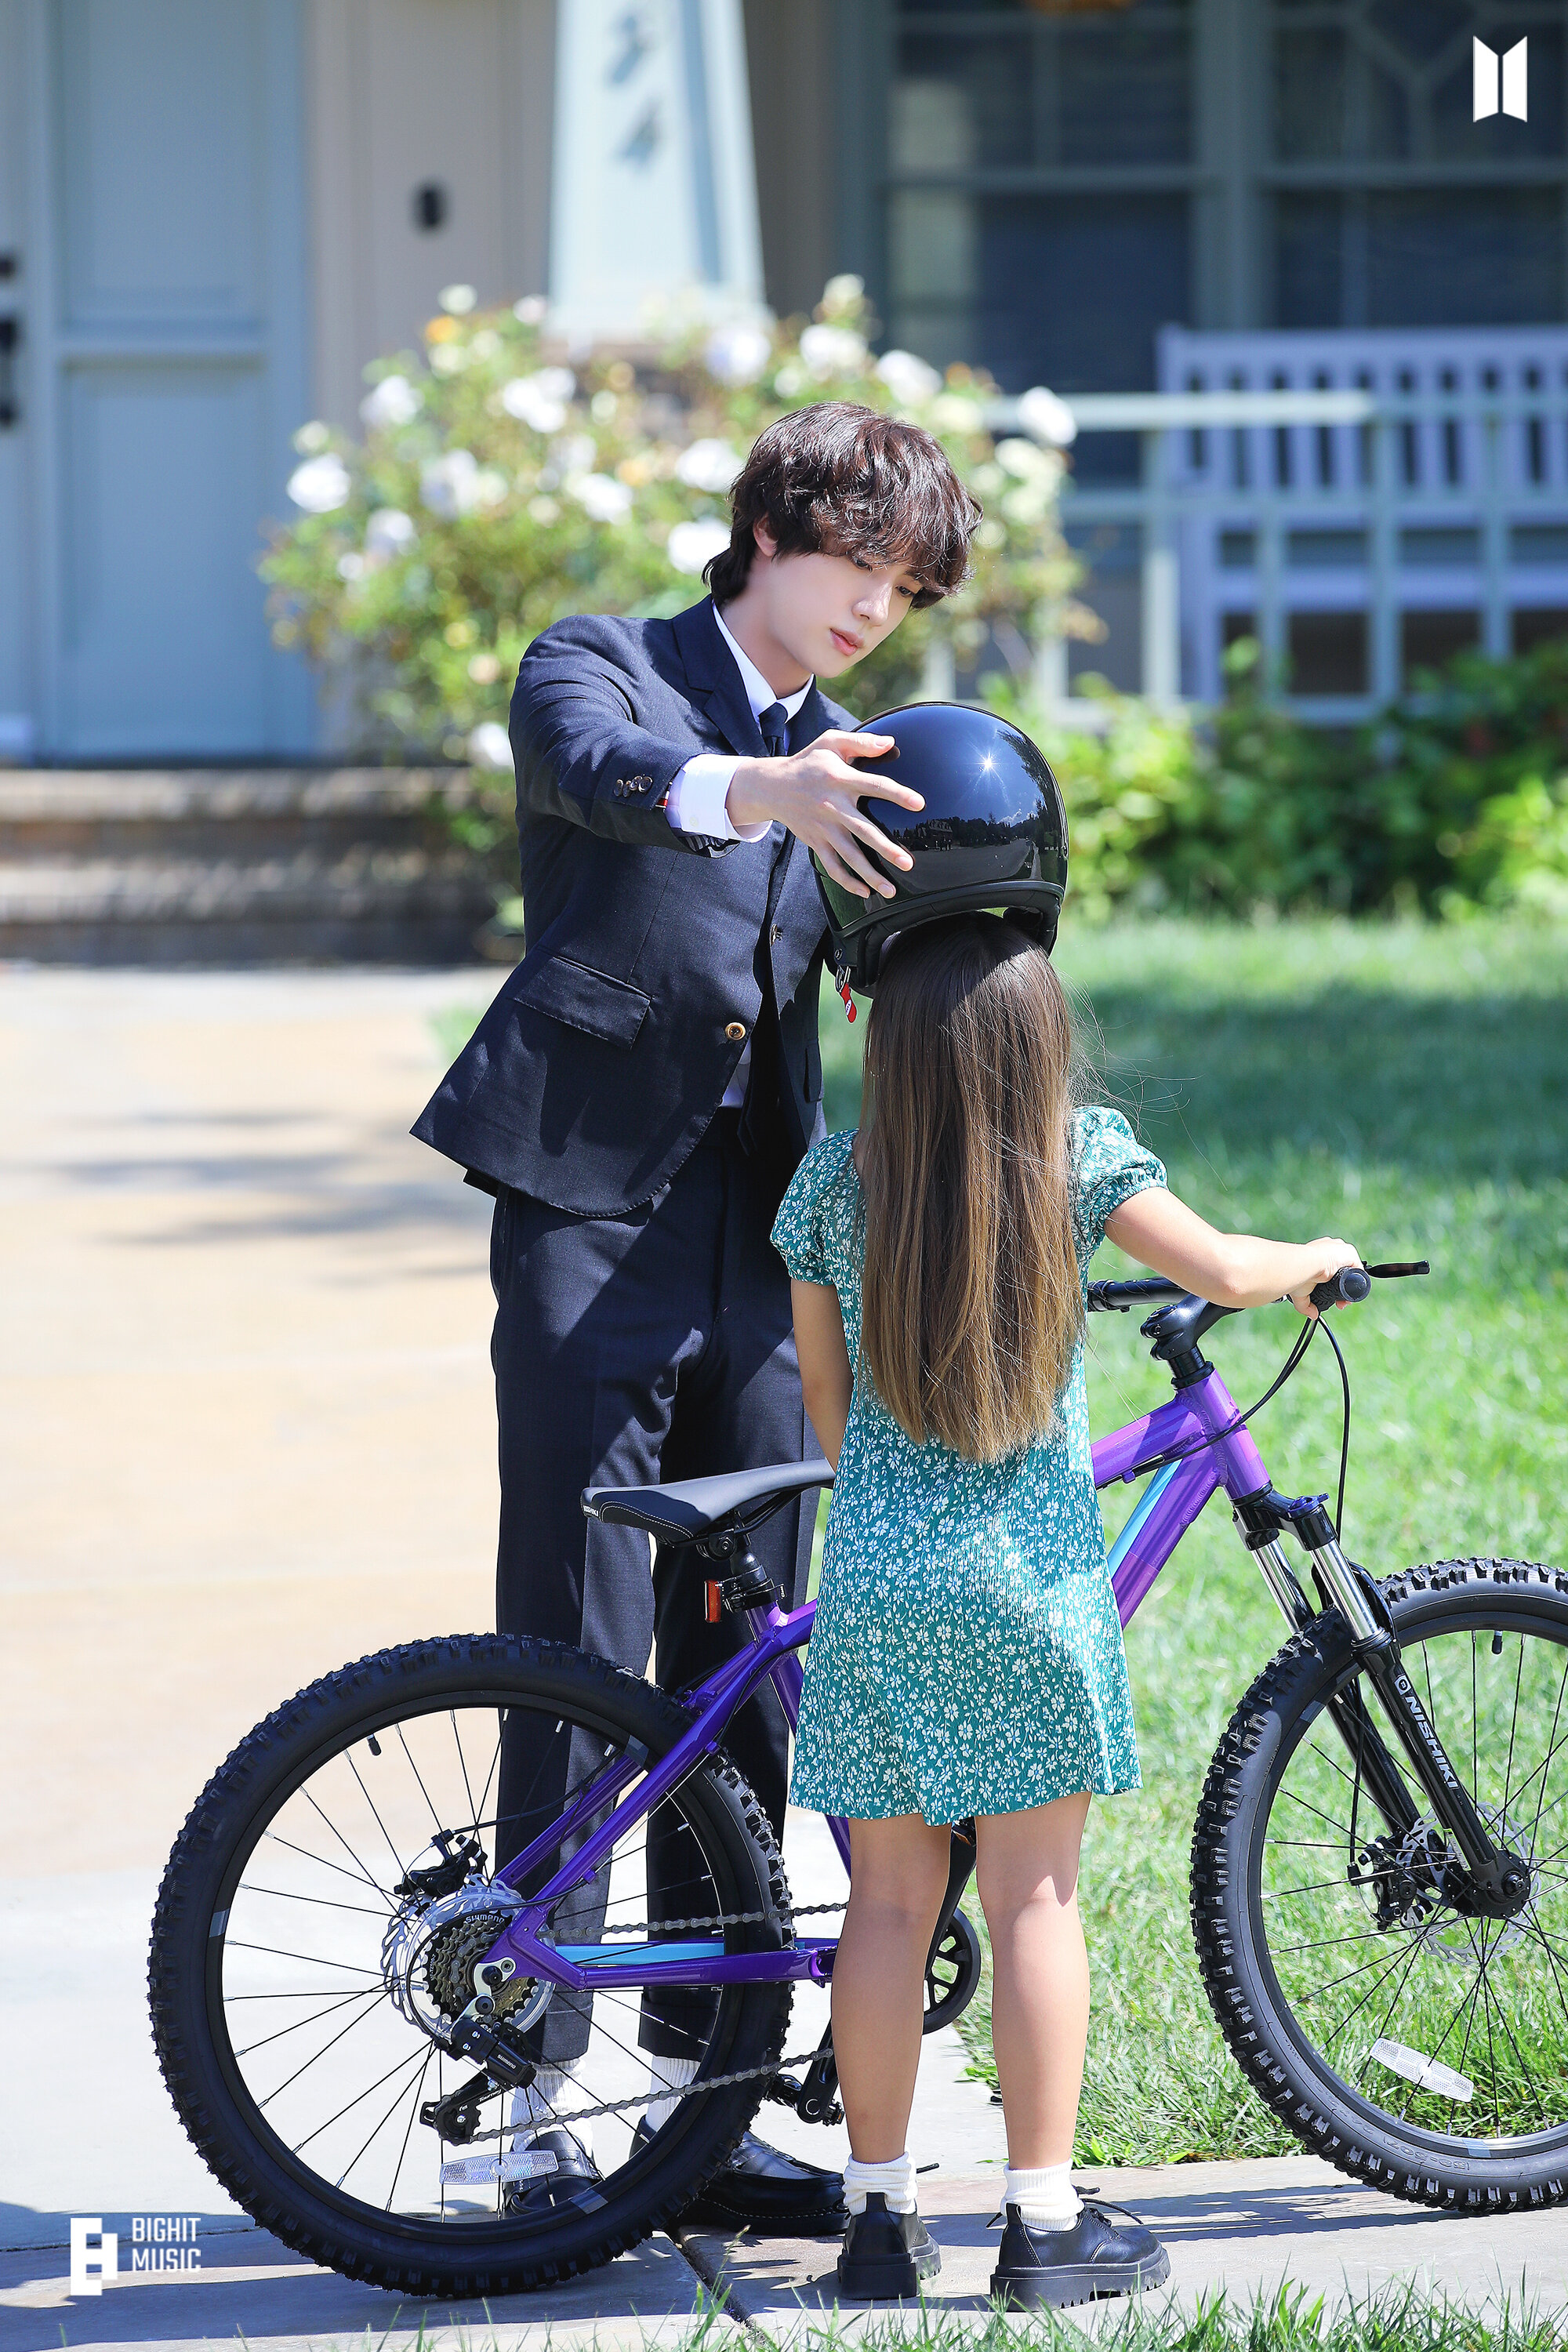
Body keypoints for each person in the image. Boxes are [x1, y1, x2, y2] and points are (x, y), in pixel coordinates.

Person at [412, 402, 980, 2229]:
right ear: (766, 532)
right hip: (587, 1210)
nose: (874, 609)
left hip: (761, 1243)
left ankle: (706, 2098)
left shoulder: (860, 752)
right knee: (572, 1638)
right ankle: (525, 2089)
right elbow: (601, 777)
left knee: (744, 1653)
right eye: (857, 566)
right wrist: (761, 791)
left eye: (905, 589)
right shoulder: (608, 666)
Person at [770, 720, 1363, 2307]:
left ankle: (877, 2230)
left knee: (886, 1906)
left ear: (870, 1018)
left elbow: (829, 1420)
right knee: (1034, 1899)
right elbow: (1232, 1269)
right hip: (1030, 1580)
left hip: (881, 1582)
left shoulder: (829, 1187)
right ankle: (1038, 2230)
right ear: (1037, 1022)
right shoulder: (1077, 1156)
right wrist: (1308, 1257)